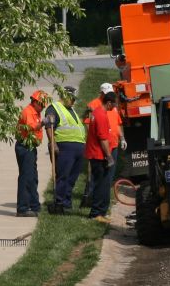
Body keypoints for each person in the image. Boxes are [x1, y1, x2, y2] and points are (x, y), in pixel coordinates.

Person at [43, 86, 85, 214]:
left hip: (78, 147)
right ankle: (59, 202)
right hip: (65, 147)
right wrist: (53, 143)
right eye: (72, 98)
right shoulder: (54, 108)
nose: (74, 101)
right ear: (65, 96)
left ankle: (66, 202)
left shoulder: (71, 109)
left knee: (72, 178)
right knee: (63, 176)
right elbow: (49, 126)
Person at [84, 90, 120, 223]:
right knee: (101, 185)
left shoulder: (98, 112)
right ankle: (96, 213)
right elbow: (103, 139)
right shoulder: (101, 116)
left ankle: (101, 212)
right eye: (114, 104)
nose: (115, 107)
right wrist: (109, 156)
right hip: (99, 155)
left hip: (97, 154)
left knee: (103, 184)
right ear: (109, 103)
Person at [15, 90, 50, 217]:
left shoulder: (36, 112)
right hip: (25, 146)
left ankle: (35, 206)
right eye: (41, 104)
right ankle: (22, 209)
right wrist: (43, 122)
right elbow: (30, 127)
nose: (43, 107)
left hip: (30, 147)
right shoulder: (28, 112)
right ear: (35, 102)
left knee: (33, 177)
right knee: (26, 177)